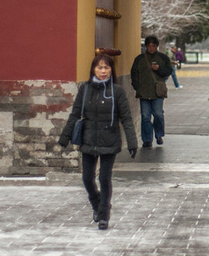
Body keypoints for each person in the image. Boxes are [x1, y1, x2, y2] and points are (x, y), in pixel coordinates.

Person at [58, 53, 137, 230]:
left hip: (110, 140)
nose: (103, 71)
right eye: (99, 67)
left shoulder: (117, 91)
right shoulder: (85, 89)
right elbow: (75, 114)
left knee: (104, 178)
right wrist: (65, 138)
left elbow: (126, 118)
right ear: (94, 69)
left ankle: (103, 215)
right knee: (87, 178)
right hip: (88, 140)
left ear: (111, 70)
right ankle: (97, 203)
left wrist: (132, 142)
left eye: (106, 67)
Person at [130, 36, 173, 147]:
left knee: (158, 114)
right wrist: (137, 87)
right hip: (143, 92)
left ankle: (159, 134)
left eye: (153, 45)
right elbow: (134, 74)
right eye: (149, 45)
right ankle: (147, 139)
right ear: (146, 46)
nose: (151, 48)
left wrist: (159, 69)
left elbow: (168, 71)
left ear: (157, 46)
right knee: (145, 116)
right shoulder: (139, 59)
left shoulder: (162, 58)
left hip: (157, 92)